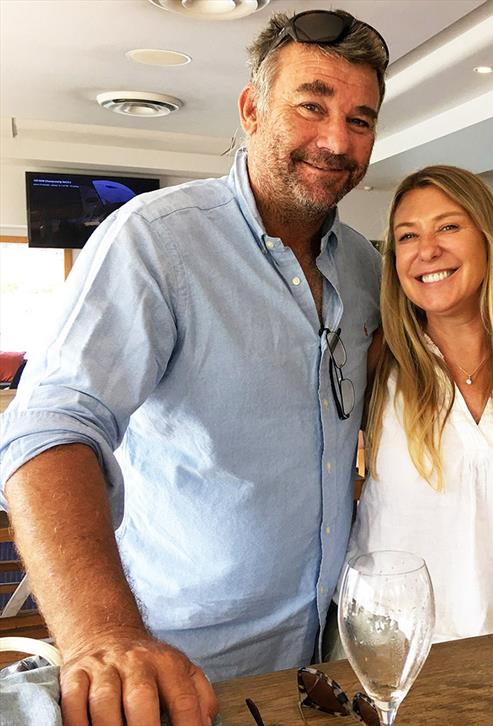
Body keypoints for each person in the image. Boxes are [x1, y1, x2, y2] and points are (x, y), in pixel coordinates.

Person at [0, 9, 388, 725]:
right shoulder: (156, 240)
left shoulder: (364, 266)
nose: (337, 140)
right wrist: (104, 636)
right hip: (177, 663)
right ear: (251, 109)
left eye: (361, 120)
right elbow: (49, 428)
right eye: (312, 106)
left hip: (329, 647)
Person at [333, 165, 493, 649]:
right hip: (388, 643)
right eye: (407, 236)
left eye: (448, 227)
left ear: (490, 237)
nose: (427, 249)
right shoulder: (379, 358)